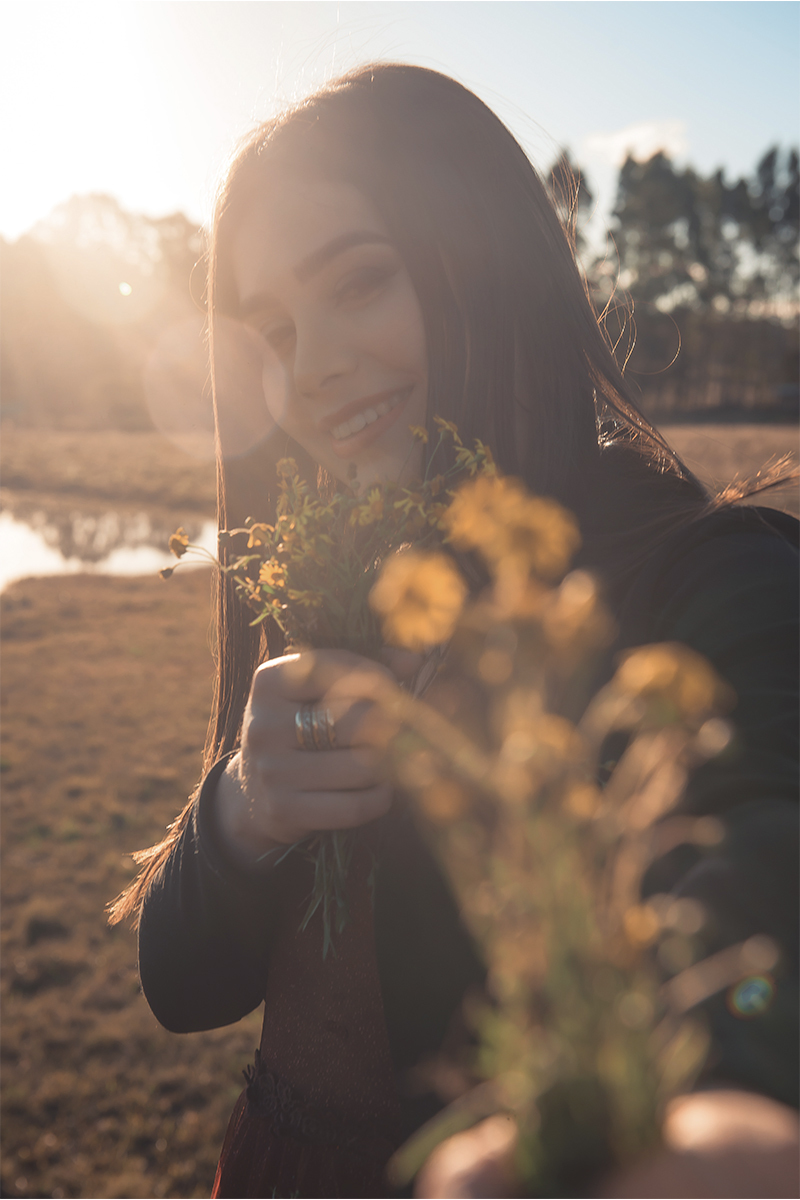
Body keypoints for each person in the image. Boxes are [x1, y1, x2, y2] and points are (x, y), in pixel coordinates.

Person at [111, 64, 799, 1198]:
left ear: (491, 264)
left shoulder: (715, 580)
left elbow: (756, 855)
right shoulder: (337, 595)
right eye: (272, 330)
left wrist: (709, 1106)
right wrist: (241, 810)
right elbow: (182, 985)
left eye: (361, 282)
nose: (313, 367)